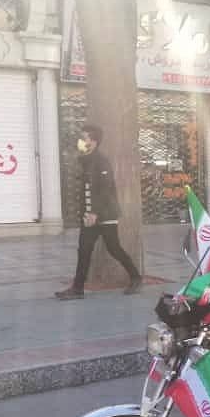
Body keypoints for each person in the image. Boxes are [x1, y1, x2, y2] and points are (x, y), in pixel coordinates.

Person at [55, 124, 143, 300]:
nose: (80, 140)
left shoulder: (101, 161)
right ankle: (78, 288)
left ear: (93, 142)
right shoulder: (84, 159)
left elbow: (106, 189)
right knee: (84, 250)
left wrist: (95, 212)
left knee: (114, 248)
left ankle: (135, 277)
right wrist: (87, 213)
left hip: (105, 214)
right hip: (90, 216)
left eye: (84, 138)